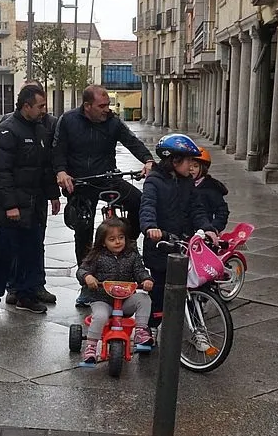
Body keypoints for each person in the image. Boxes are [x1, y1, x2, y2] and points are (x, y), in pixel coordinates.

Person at [53, 85, 156, 306]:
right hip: (81, 181)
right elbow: (58, 150)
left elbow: (131, 141)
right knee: (83, 229)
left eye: (108, 105)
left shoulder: (113, 121)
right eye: (102, 106)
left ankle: (126, 242)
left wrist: (147, 160)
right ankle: (86, 285)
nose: (106, 109)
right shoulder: (68, 120)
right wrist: (61, 172)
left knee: (140, 202)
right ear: (87, 105)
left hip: (108, 177)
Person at [0, 84, 61, 317]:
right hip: (11, 209)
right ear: (26, 106)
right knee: (2, 256)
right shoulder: (6, 131)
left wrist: (53, 195)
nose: (44, 110)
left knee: (31, 252)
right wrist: (10, 205)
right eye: (40, 106)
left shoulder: (40, 130)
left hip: (34, 205)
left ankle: (26, 295)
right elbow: (1, 173)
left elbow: (45, 167)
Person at [139, 134, 219, 329]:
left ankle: (197, 326)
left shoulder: (187, 182)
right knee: (158, 291)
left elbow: (197, 209)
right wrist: (150, 227)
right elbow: (147, 206)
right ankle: (151, 328)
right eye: (189, 161)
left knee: (193, 284)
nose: (191, 166)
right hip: (160, 246)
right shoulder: (153, 181)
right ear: (175, 161)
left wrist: (207, 228)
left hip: (183, 244)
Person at [75, 218, 154, 364]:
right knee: (99, 316)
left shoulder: (132, 255)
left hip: (125, 301)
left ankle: (141, 331)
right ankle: (91, 346)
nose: (118, 242)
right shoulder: (97, 256)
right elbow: (82, 270)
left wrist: (146, 279)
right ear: (103, 242)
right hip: (102, 300)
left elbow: (139, 271)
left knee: (144, 299)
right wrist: (87, 277)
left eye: (121, 237)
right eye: (112, 239)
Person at [189, 147, 230, 233]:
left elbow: (222, 211)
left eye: (195, 166)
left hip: (205, 230)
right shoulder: (183, 184)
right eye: (189, 165)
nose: (191, 169)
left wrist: (214, 228)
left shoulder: (211, 187)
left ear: (203, 168)